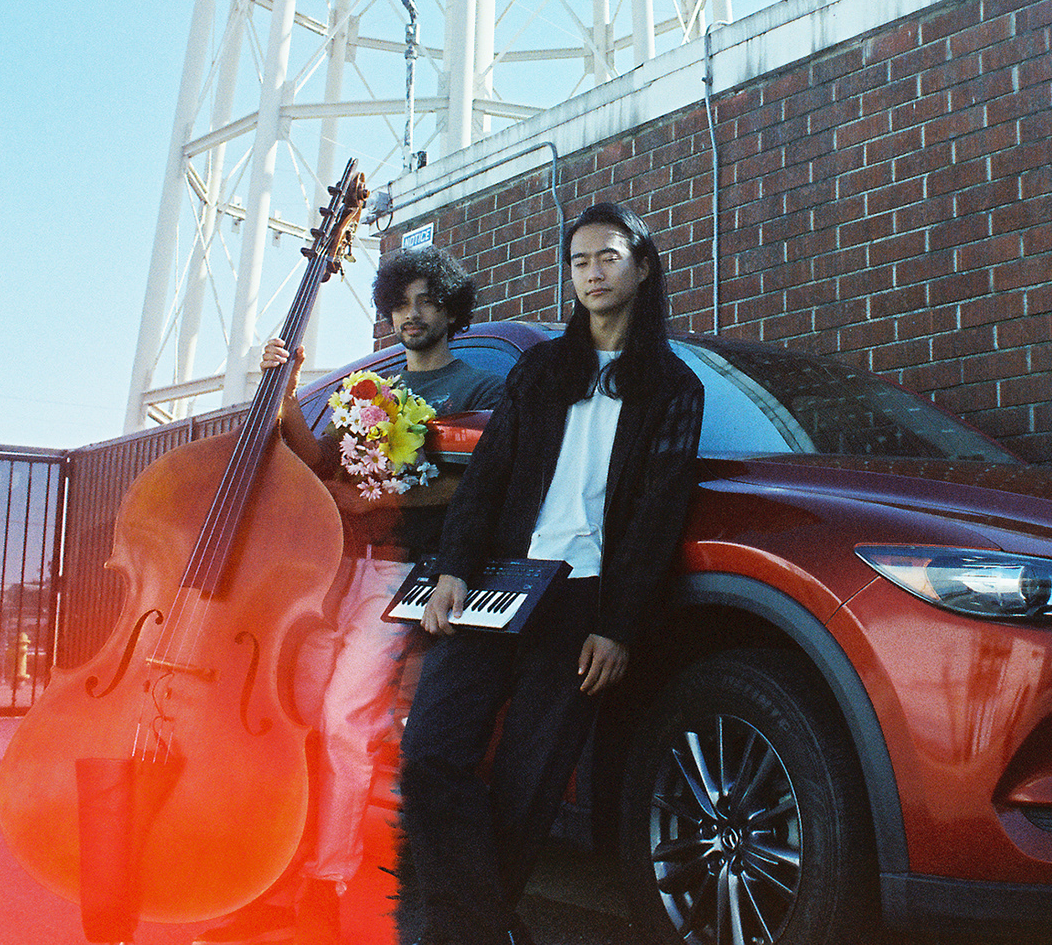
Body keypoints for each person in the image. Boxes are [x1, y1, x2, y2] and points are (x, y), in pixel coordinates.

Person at [400, 203, 705, 945]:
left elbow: (658, 517)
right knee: (429, 753)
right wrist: (453, 572)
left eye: (608, 257)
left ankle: (462, 935)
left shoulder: (673, 388)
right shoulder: (540, 371)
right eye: (579, 261)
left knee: (529, 782)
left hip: (583, 600)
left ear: (642, 267)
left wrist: (618, 626)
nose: (592, 273)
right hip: (502, 582)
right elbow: (487, 479)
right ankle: (488, 927)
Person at [195, 247, 503, 945]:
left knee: (343, 719)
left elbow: (478, 480)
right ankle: (273, 880)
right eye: (400, 303)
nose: (411, 314)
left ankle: (327, 887)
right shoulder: (371, 389)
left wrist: (379, 499)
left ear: (451, 309)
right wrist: (284, 388)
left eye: (426, 301)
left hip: (404, 575)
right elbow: (315, 462)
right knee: (296, 722)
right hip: (334, 575)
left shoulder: (478, 386)